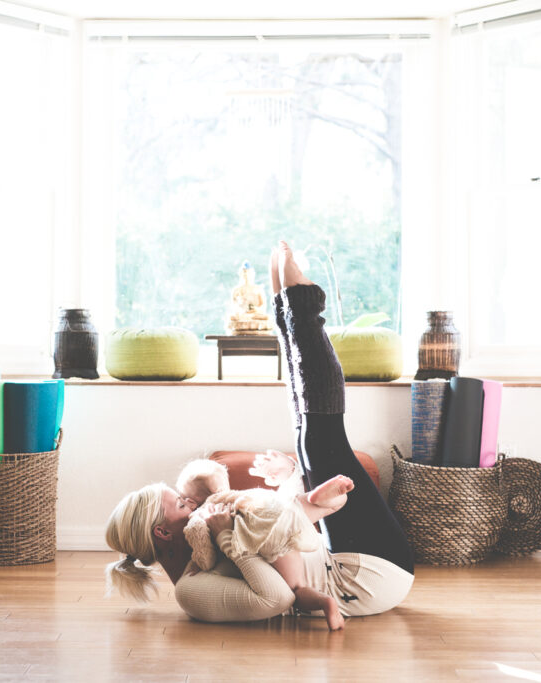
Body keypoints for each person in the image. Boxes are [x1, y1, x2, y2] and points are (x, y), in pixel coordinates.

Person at [105, 241, 416, 625]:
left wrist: (290, 479)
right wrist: (228, 540)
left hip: (346, 558)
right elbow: (278, 597)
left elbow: (276, 532)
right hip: (366, 575)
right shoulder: (191, 589)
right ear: (162, 532)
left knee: (307, 438)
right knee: (320, 438)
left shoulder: (204, 536)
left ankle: (288, 310)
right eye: (182, 505)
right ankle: (300, 305)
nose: (194, 503)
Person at [176, 457, 355, 629]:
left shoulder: (204, 514)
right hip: (275, 509)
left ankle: (326, 603)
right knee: (328, 506)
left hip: (264, 537)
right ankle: (321, 499)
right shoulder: (242, 496)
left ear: (190, 501)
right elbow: (273, 503)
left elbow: (202, 547)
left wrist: (200, 564)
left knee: (297, 589)